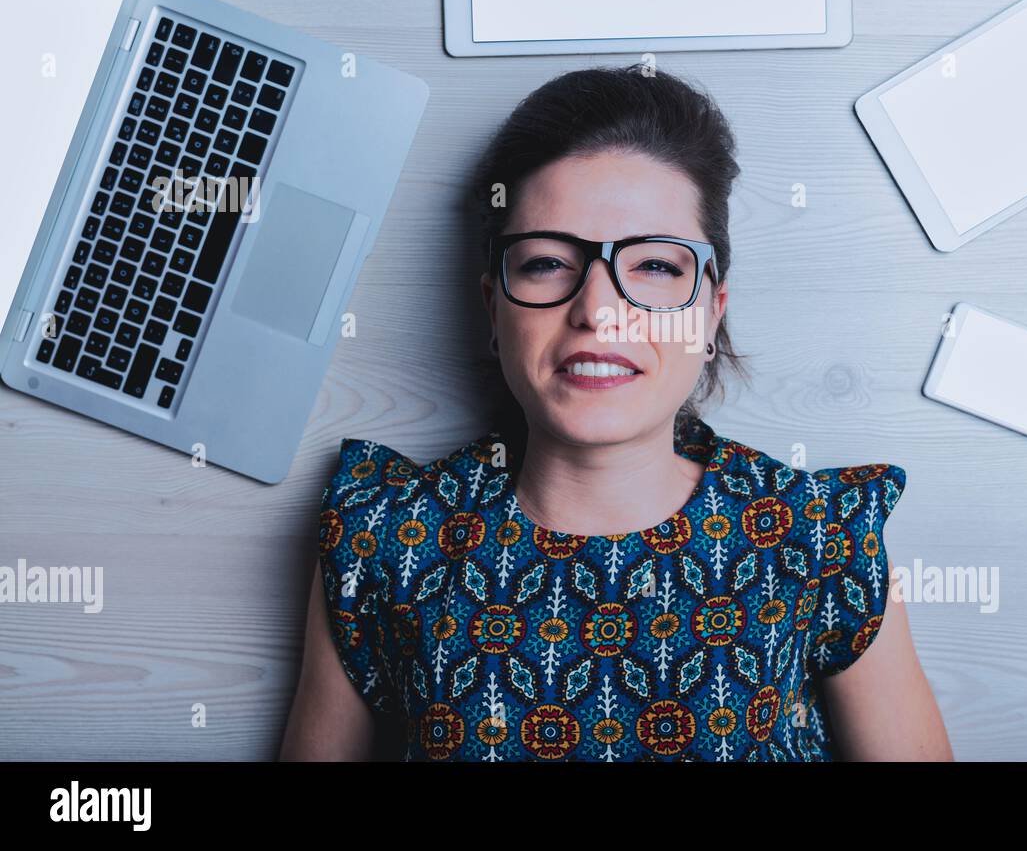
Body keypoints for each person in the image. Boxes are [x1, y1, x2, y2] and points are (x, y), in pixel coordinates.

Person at [280, 65, 951, 761]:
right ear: (493, 306)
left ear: (712, 312)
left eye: (656, 267)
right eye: (545, 263)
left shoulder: (819, 538)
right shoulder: (384, 538)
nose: (598, 312)